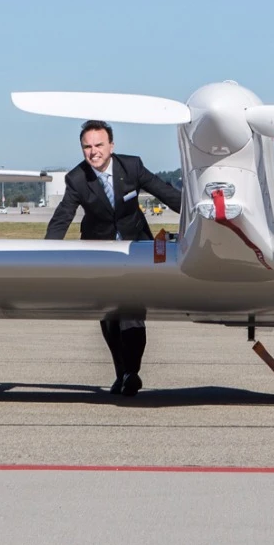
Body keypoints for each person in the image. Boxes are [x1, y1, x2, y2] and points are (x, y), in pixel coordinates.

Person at [45, 120, 183, 396]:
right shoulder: (76, 179)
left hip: (137, 250)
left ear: (111, 146)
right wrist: (45, 254)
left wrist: (199, 218)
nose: (93, 151)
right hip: (100, 254)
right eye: (87, 146)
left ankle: (131, 371)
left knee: (132, 313)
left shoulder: (131, 167)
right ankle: (123, 373)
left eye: (98, 145)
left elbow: (166, 193)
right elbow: (63, 216)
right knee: (109, 317)